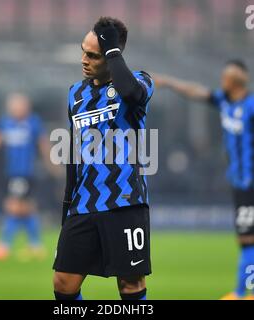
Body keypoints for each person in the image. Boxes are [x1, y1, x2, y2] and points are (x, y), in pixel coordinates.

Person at [53, 17, 154, 300]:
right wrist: (66, 204)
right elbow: (74, 153)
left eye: (93, 54)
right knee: (63, 283)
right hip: (83, 203)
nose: (83, 59)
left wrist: (113, 53)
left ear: (112, 55)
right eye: (83, 51)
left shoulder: (140, 82)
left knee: (130, 286)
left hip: (125, 202)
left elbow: (131, 93)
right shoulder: (76, 93)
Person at [152, 60, 254, 300]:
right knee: (247, 238)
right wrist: (168, 82)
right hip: (240, 181)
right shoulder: (224, 101)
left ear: (238, 79)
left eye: (226, 76)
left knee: (248, 238)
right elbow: (195, 91)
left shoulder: (250, 106)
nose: (222, 79)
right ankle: (243, 292)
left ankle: (242, 293)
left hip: (251, 182)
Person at [0, 93, 59, 261]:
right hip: (11, 173)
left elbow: (43, 144)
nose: (15, 108)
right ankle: (35, 246)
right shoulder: (6, 123)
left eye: (18, 105)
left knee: (12, 207)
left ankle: (4, 245)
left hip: (24, 173)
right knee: (25, 209)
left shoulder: (33, 123)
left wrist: (53, 164)